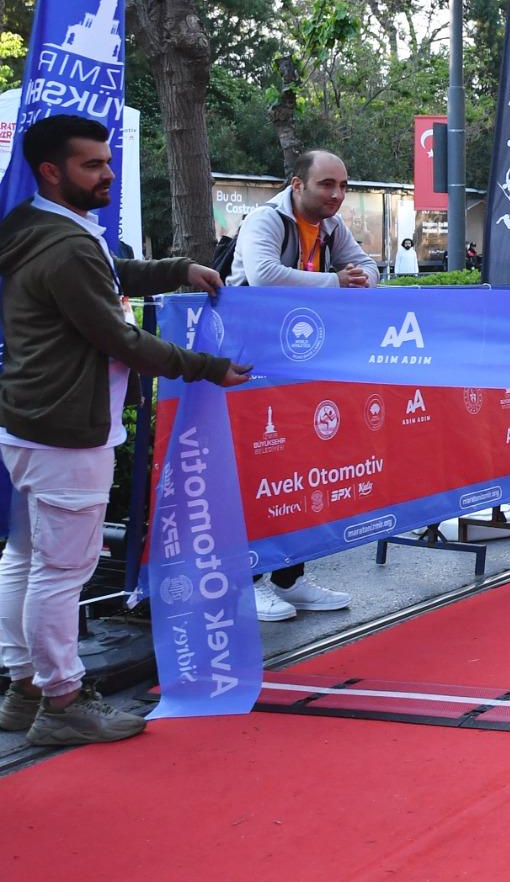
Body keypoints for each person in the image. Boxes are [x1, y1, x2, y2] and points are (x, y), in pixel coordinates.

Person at [0, 115, 252, 746]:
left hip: (31, 421)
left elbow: (107, 274)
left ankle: (22, 689)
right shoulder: (65, 245)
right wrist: (208, 367)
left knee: (27, 560)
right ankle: (61, 703)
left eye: (108, 162)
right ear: (52, 171)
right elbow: (119, 335)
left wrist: (175, 270)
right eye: (93, 165)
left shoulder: (37, 225)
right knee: (60, 571)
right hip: (67, 430)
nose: (108, 174)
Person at [229, 149, 376, 621]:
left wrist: (359, 277)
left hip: (301, 363)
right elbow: (262, 275)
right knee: (260, 473)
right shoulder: (265, 220)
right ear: (298, 183)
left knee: (301, 469)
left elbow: (367, 267)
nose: (336, 194)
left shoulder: (333, 226)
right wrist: (337, 282)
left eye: (342, 186)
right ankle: (246, 583)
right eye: (326, 185)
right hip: (249, 366)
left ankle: (289, 580)